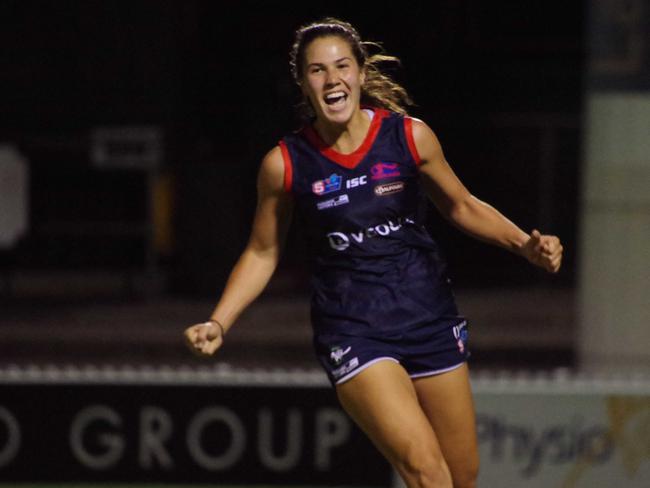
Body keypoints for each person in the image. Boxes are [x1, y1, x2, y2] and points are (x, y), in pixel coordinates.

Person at [184, 17, 563, 488]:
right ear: (303, 83)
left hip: (428, 316)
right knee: (426, 471)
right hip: (354, 330)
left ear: (361, 73)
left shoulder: (409, 137)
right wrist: (219, 320)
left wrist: (524, 245)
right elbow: (262, 252)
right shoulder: (285, 164)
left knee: (460, 477)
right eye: (318, 70)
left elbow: (461, 205)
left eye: (342, 66)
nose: (332, 78)